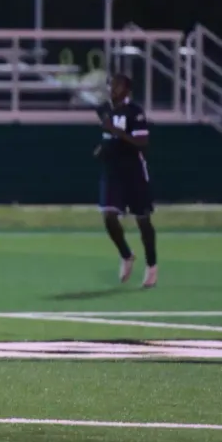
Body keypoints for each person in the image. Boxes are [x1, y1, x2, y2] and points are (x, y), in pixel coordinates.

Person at [95, 73, 158, 288]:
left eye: (118, 86)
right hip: (112, 172)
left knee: (143, 220)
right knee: (109, 216)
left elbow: (142, 142)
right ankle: (126, 255)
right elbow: (108, 137)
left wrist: (116, 131)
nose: (113, 89)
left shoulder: (134, 112)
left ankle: (152, 265)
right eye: (111, 85)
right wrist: (102, 148)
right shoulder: (106, 110)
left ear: (127, 90)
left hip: (133, 172)